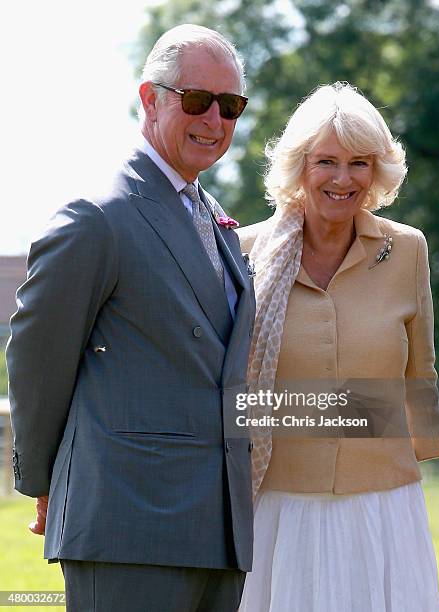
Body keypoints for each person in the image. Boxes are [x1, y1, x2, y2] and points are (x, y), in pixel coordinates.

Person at [7, 24, 255, 612]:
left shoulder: (214, 218)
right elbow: (38, 355)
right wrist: (44, 481)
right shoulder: (98, 214)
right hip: (128, 526)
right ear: (151, 99)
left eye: (231, 106)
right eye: (197, 101)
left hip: (219, 531)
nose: (214, 120)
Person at [238, 82, 439, 611]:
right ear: (298, 166)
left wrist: (421, 457)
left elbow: (419, 369)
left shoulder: (407, 249)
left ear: (378, 171)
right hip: (278, 506)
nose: (342, 178)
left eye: (359, 162)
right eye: (326, 161)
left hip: (383, 505)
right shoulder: (243, 252)